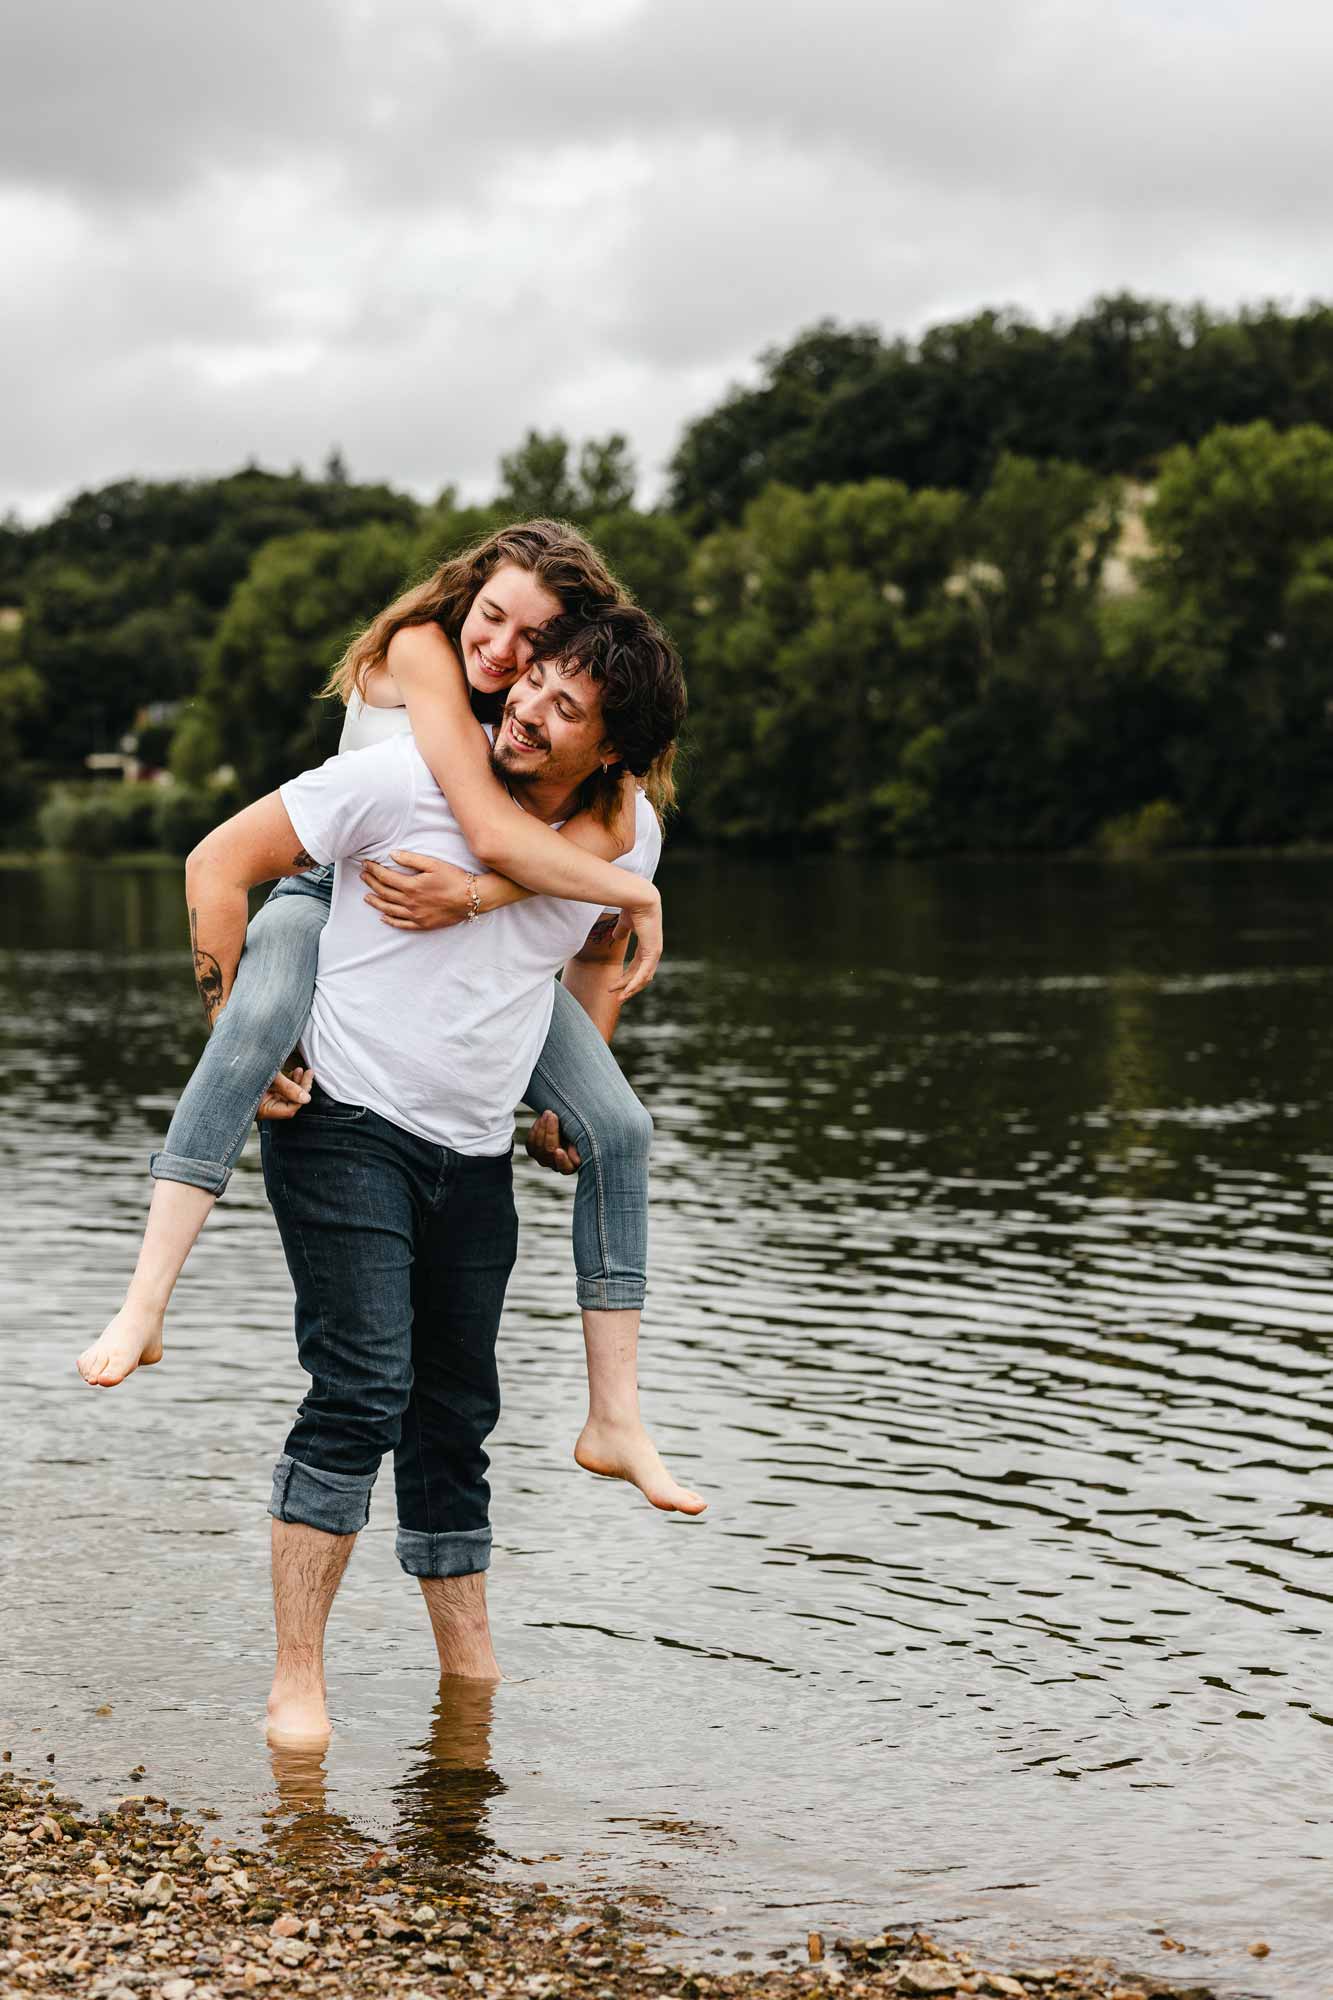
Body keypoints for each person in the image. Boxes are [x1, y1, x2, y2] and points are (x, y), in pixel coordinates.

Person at [77, 521, 703, 1516]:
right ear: (467, 592)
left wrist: (522, 911)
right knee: (249, 1033)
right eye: (492, 617)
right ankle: (146, 1300)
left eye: (533, 643)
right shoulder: (422, 645)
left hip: (462, 949)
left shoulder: (534, 715)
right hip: (326, 889)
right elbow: (493, 829)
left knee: (620, 1124)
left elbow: (573, 875)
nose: (502, 652)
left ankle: (615, 1414)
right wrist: (628, 900)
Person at [184, 602, 688, 1745]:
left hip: (474, 1148)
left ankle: (470, 1672)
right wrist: (240, 1032)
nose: (526, 706)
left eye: (566, 707)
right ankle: (297, 1682)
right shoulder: (407, 777)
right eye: (531, 682)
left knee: (455, 1415)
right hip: (345, 1117)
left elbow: (595, 946)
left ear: (609, 751)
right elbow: (219, 860)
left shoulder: (627, 833)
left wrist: (569, 1093)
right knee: (363, 1387)